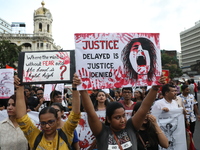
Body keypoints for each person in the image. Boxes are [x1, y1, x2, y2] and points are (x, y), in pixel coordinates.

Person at [80, 76, 165, 150]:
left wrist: (155, 88)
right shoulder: (102, 131)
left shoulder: (130, 127)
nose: (122, 120)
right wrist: (82, 90)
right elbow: (91, 113)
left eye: (123, 116)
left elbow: (144, 108)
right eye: (117, 117)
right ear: (109, 119)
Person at [15, 74, 81, 150]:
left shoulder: (66, 133)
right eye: (43, 123)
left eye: (51, 122)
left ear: (57, 120)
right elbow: (21, 118)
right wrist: (19, 87)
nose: (47, 126)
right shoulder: (34, 136)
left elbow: (75, 115)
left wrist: (75, 87)